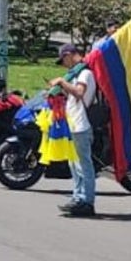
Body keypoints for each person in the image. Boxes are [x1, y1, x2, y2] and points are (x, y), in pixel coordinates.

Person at [51, 43, 98, 217]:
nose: (64, 64)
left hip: (81, 124)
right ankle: (78, 197)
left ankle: (87, 201)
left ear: (69, 55)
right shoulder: (76, 74)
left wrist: (62, 82)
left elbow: (79, 92)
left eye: (63, 59)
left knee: (83, 164)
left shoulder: (85, 73)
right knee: (74, 164)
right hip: (73, 124)